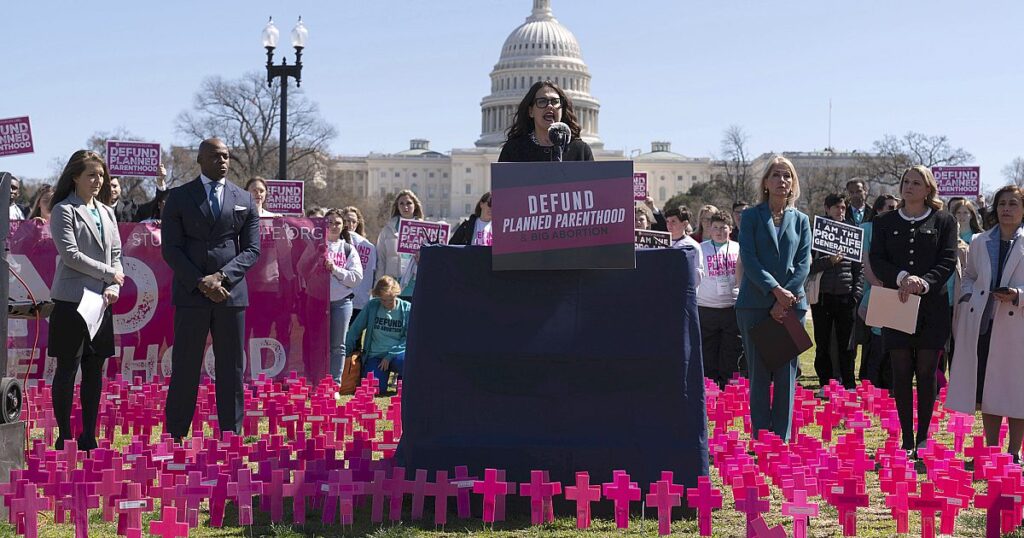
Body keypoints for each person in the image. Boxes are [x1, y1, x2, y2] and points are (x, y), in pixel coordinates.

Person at [162, 138, 261, 441]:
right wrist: (200, 281)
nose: (223, 161)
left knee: (231, 368)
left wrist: (221, 277)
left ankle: (231, 434)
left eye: (227, 156)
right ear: (200, 159)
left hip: (230, 296)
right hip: (192, 294)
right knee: (185, 365)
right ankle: (177, 434)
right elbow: (171, 249)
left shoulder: (243, 198)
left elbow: (252, 250)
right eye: (216, 156)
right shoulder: (178, 197)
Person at [869, 165, 958, 457]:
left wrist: (925, 281)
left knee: (926, 370)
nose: (909, 187)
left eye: (916, 182)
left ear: (928, 188)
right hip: (898, 302)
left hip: (931, 306)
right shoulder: (885, 222)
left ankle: (923, 436)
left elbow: (948, 259)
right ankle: (907, 437)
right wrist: (901, 278)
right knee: (901, 369)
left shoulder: (944, 220)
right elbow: (877, 259)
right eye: (906, 181)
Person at [47, 150, 124, 450]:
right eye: (91, 175)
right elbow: (71, 255)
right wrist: (109, 273)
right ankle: (64, 435)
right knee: (68, 368)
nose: (97, 180)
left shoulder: (107, 212)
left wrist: (113, 286)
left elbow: (116, 254)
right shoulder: (64, 210)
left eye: (101, 175)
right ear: (75, 177)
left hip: (101, 302)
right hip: (71, 301)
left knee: (95, 369)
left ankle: (88, 435)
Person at [736, 155, 812, 442]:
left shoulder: (802, 220)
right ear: (765, 182)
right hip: (755, 304)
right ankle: (761, 436)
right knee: (759, 374)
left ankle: (781, 438)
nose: (783, 181)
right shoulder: (752, 217)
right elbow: (750, 258)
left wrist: (785, 298)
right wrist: (774, 291)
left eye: (787, 176)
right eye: (777, 175)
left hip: (791, 307)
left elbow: (804, 262)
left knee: (785, 375)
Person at [947, 185, 1024, 463]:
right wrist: (969, 295)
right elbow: (969, 274)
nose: (1006, 209)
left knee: (1016, 389)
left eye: (1013, 204)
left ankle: (1014, 452)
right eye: (1002, 203)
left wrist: (1018, 295)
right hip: (984, 322)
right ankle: (992, 450)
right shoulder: (980, 240)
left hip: (1017, 327)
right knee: (988, 390)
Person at [809, 193, 863, 391]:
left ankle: (848, 383)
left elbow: (860, 268)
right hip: (822, 297)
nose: (840, 211)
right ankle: (825, 382)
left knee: (846, 344)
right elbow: (809, 266)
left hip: (846, 296)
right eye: (836, 208)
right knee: (822, 343)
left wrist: (856, 294)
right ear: (827, 208)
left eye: (842, 208)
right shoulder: (817, 232)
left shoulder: (853, 232)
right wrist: (829, 261)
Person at [857, 194, 899, 389]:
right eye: (890, 207)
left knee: (890, 339)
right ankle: (871, 381)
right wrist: (876, 284)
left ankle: (888, 382)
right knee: (875, 340)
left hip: (894, 289)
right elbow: (865, 260)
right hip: (874, 289)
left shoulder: (898, 228)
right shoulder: (867, 229)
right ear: (878, 209)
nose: (894, 211)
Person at [497, 80, 594, 162]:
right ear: (531, 111)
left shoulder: (580, 151)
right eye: (542, 101)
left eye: (555, 102)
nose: (550, 106)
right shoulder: (514, 150)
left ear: (562, 109)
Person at [697, 212, 743, 387]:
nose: (719, 231)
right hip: (706, 307)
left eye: (723, 227)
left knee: (731, 351)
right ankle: (709, 387)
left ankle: (728, 388)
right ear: (709, 229)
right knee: (708, 351)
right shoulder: (701, 249)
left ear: (730, 229)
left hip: (731, 307)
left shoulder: (738, 248)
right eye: (715, 227)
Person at [345, 276, 410, 396]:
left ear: (396, 294)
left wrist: (390, 356)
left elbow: (408, 338)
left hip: (397, 354)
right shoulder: (372, 306)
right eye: (383, 300)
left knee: (408, 364)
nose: (387, 304)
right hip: (376, 356)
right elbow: (355, 330)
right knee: (375, 388)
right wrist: (346, 352)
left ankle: (402, 381)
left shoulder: (406, 308)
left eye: (390, 300)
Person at [323, 209, 364, 384]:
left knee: (338, 345)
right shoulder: (315, 245)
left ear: (343, 226)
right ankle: (315, 380)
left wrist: (335, 270)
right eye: (329, 222)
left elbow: (356, 278)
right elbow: (302, 270)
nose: (333, 226)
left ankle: (334, 383)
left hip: (341, 302)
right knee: (316, 343)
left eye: (337, 223)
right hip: (317, 302)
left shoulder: (348, 249)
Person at [376, 189, 424, 300]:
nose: (405, 207)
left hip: (414, 285)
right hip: (392, 285)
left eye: (409, 203)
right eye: (401, 204)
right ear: (397, 207)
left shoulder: (425, 229)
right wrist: (379, 285)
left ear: (415, 206)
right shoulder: (387, 230)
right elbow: (381, 260)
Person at [340, 206, 377, 320]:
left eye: (353, 221)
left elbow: (373, 271)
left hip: (359, 300)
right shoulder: (334, 243)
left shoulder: (369, 246)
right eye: (346, 221)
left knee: (355, 336)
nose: (350, 224)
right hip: (339, 298)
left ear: (358, 224)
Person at [99, 164, 169, 222]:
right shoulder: (94, 208)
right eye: (107, 186)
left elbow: (155, 205)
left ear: (120, 188)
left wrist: (160, 181)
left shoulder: (131, 209)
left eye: (114, 186)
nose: (111, 189)